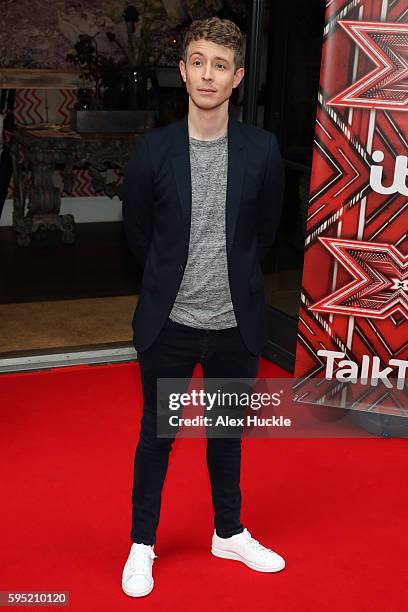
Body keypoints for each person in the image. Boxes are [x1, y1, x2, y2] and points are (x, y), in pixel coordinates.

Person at [121, 16, 286, 598]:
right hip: (169, 324)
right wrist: (173, 288)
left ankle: (228, 531)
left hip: (235, 325)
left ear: (237, 76)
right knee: (156, 438)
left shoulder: (263, 150)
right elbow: (138, 235)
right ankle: (142, 544)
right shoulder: (153, 150)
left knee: (225, 435)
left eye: (220, 64)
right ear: (184, 69)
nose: (207, 74)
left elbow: (264, 235)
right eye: (197, 61)